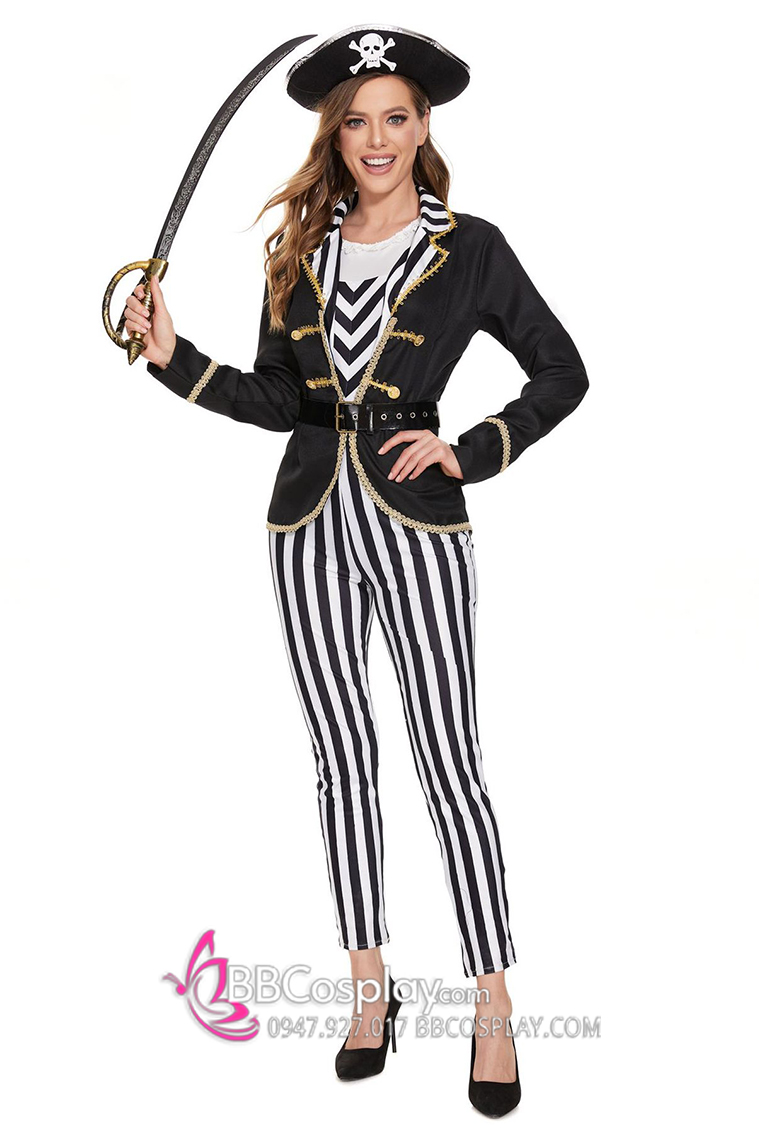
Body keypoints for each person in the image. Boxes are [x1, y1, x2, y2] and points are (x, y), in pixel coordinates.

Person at [123, 24, 589, 1117]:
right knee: (341, 759)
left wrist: (470, 450)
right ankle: (369, 985)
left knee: (448, 762)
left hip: (417, 526)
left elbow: (562, 371)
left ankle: (491, 1004)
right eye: (356, 122)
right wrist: (173, 360)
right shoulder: (297, 251)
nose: (376, 138)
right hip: (306, 527)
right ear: (333, 135)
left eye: (395, 117)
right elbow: (280, 399)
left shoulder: (469, 248)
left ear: (423, 128)